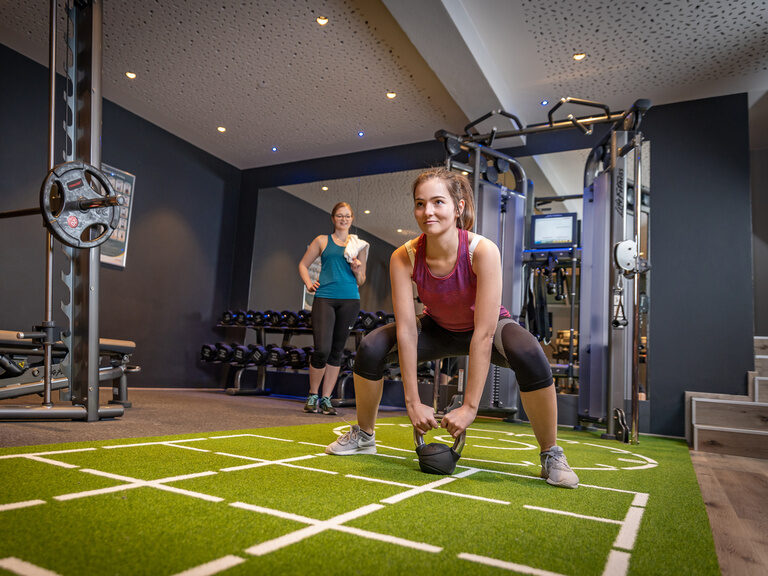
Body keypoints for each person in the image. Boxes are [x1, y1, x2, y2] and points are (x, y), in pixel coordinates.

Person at [325, 168, 578, 488]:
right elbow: (405, 329)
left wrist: (470, 407)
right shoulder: (404, 256)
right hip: (438, 326)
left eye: (438, 202)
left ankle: (550, 454)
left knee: (529, 352)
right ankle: (364, 435)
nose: (427, 211)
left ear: (458, 207)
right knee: (372, 346)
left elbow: (484, 334)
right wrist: (413, 403)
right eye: (420, 203)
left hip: (485, 326)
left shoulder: (482, 251)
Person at [298, 202, 368, 415]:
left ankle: (326, 398)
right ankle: (313, 394)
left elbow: (362, 279)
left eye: (347, 216)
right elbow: (303, 264)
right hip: (324, 298)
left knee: (337, 351)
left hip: (350, 300)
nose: (343, 219)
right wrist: (309, 284)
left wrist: (357, 270)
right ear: (333, 218)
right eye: (339, 215)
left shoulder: (360, 246)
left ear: (352, 219)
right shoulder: (322, 241)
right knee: (322, 349)